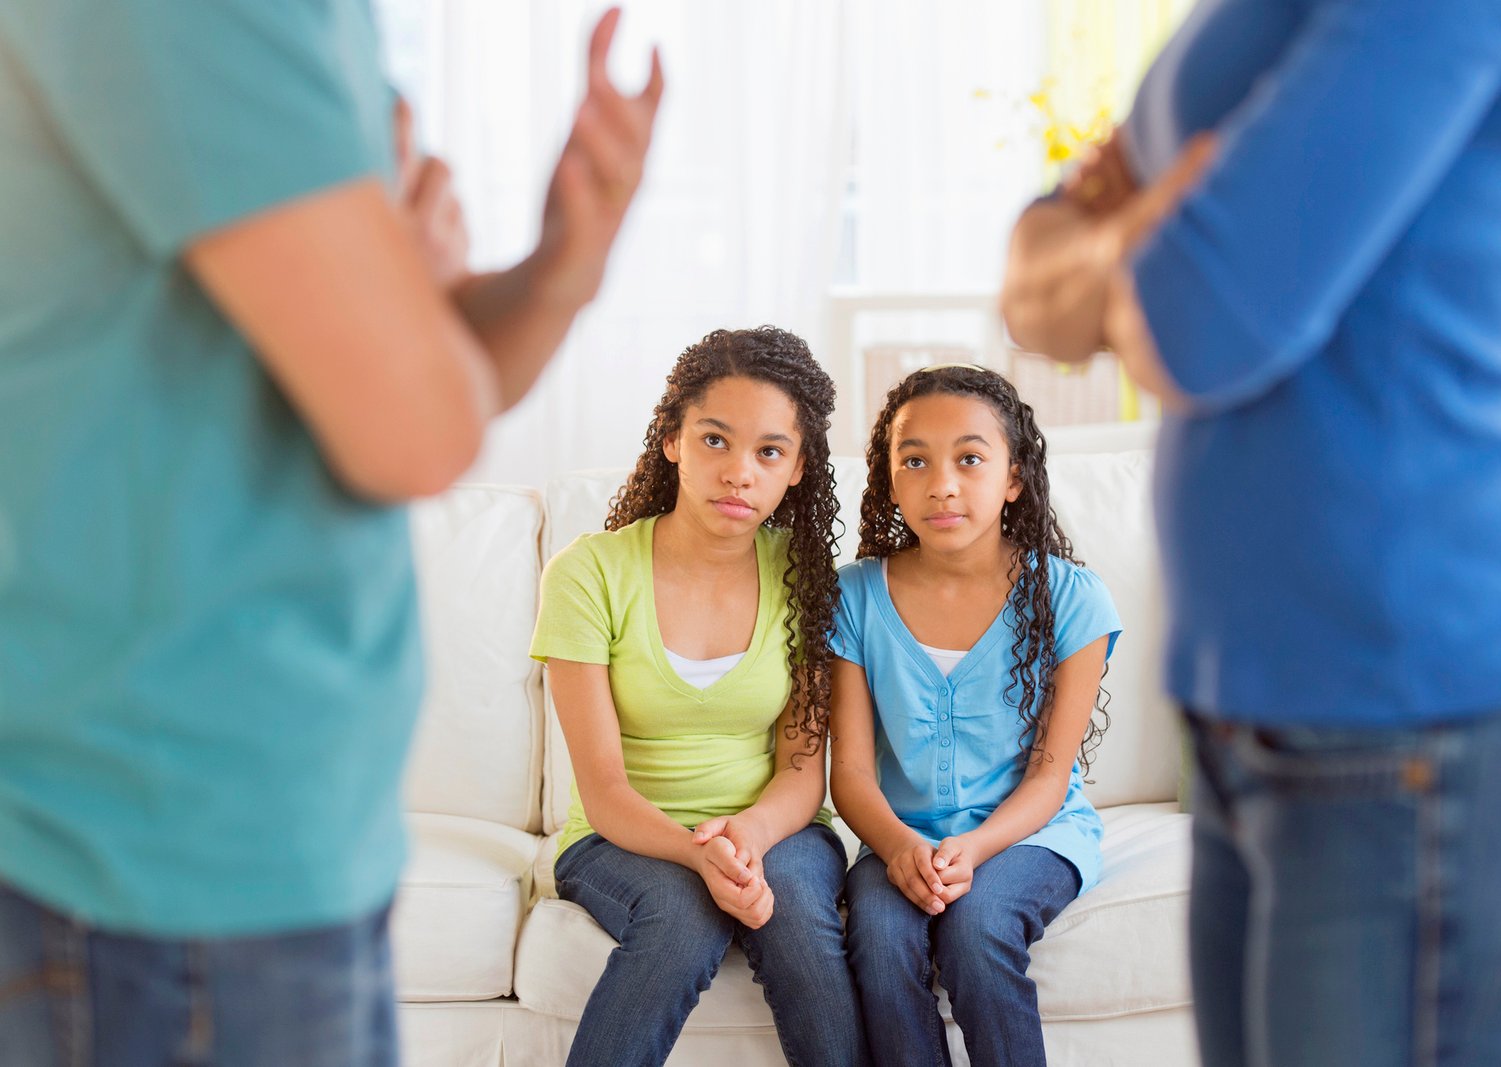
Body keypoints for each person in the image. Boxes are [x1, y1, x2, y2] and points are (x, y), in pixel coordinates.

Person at [0, 3, 661, 1063]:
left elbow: (415, 379)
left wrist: (559, 266)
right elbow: (414, 425)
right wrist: (411, 290)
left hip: (279, 828)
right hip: (155, 843)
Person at [1000, 1, 1501, 1064]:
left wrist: (1128, 249)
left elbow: (1198, 322)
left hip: (1427, 722)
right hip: (1248, 718)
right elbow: (1030, 291)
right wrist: (1138, 245)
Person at [529, 327, 868, 1067]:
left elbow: (803, 771)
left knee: (801, 922)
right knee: (683, 919)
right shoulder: (587, 573)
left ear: (799, 468)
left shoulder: (808, 581)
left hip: (778, 830)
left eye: (769, 452)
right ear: (673, 439)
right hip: (620, 837)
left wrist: (745, 837)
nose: (739, 472)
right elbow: (605, 786)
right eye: (716, 440)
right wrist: (698, 851)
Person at [829, 365, 1122, 1067]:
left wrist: (979, 847)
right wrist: (901, 847)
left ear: (1013, 477)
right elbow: (851, 773)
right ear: (889, 480)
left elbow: (1052, 778)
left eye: (969, 458)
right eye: (915, 461)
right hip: (899, 838)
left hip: (1032, 834)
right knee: (878, 932)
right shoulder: (855, 597)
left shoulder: (1071, 600)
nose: (943, 484)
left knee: (978, 925)